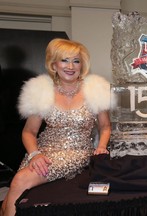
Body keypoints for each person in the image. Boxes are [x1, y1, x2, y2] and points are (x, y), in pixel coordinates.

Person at [0, 38, 113, 216]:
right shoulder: (42, 91)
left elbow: (105, 126)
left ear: (82, 65)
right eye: (64, 60)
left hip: (76, 151)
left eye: (76, 61)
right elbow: (29, 132)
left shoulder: (96, 90)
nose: (70, 66)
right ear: (54, 65)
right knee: (9, 199)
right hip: (40, 151)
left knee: (20, 181)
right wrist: (35, 154)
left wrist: (101, 147)